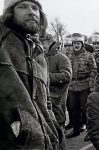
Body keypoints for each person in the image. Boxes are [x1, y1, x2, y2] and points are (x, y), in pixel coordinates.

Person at [0, 0, 59, 149]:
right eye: (22, 6)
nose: (31, 11)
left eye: (35, 8)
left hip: (43, 141)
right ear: (10, 12)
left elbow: (47, 101)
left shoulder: (38, 52)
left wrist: (56, 132)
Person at [67, 32, 97, 138]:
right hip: (72, 86)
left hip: (84, 85)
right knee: (73, 109)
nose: (76, 45)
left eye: (78, 43)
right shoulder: (68, 56)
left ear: (82, 44)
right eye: (74, 43)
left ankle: (91, 132)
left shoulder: (88, 56)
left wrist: (91, 85)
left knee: (86, 110)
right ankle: (76, 129)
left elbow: (94, 71)